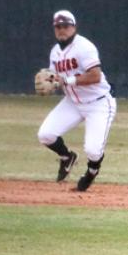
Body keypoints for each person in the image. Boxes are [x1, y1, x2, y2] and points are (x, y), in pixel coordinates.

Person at [37, 10, 116, 191]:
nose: (62, 30)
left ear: (74, 27)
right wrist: (50, 83)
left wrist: (67, 80)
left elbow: (95, 76)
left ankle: (91, 172)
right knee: (45, 135)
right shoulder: (55, 52)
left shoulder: (84, 47)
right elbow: (55, 77)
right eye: (58, 26)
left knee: (93, 151)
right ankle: (67, 157)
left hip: (99, 103)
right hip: (73, 102)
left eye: (66, 26)